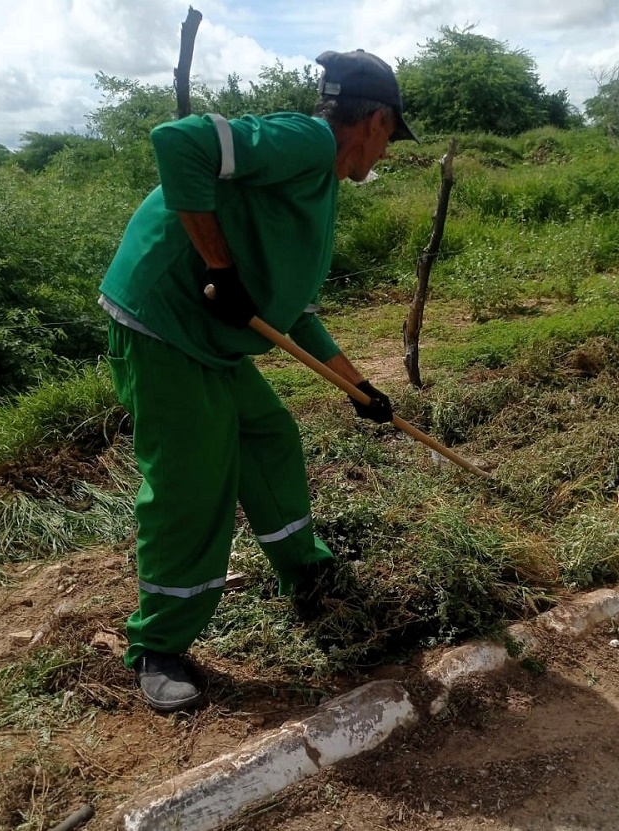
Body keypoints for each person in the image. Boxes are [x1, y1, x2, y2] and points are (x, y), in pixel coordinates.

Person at [98, 49, 419, 713]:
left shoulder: (320, 188)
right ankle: (158, 646)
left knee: (268, 435)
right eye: (390, 137)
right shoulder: (309, 141)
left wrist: (359, 387)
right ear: (375, 121)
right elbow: (178, 141)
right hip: (163, 325)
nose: (385, 153)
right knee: (193, 482)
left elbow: (291, 312)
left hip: (209, 340)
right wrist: (219, 268)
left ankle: (306, 571)